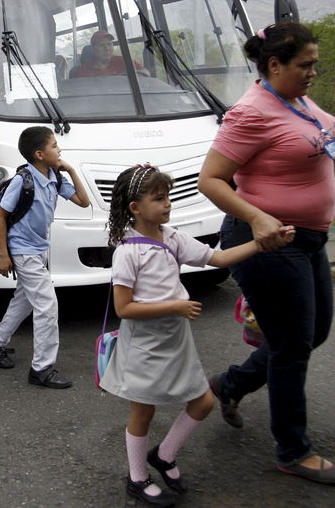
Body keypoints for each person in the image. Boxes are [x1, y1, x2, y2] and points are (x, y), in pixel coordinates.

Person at [197, 22, 335, 485]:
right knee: (291, 346)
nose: (312, 73)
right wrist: (259, 217)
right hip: (265, 240)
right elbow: (211, 179)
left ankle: (229, 385)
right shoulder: (250, 112)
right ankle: (293, 449)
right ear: (274, 65)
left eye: (315, 65)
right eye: (305, 65)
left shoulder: (297, 99)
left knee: (313, 333)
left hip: (308, 239)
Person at [102, 165, 293, 506]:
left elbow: (217, 257)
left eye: (168, 197)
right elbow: (124, 309)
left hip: (176, 340)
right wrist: (174, 306)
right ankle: (136, 478)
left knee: (204, 401)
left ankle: (165, 455)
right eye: (159, 199)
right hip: (144, 346)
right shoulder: (127, 252)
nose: (167, 204)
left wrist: (262, 244)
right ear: (135, 207)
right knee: (143, 413)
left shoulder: (172, 237)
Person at [0, 126, 90, 388]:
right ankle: (41, 368)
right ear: (40, 154)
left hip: (40, 249)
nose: (59, 149)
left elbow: (83, 202)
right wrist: (4, 256)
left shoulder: (54, 177)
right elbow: (1, 216)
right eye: (54, 146)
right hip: (23, 251)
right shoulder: (23, 180)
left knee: (25, 300)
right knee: (47, 306)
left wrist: (72, 171)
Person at [69, 30, 146, 79]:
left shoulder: (123, 61)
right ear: (93, 49)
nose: (107, 48)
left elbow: (145, 73)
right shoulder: (83, 72)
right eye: (101, 45)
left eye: (109, 44)